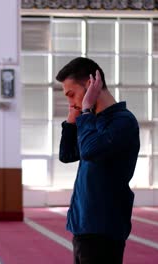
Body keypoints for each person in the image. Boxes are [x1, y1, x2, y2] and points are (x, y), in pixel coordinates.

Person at [56, 57, 140, 264]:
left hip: (104, 226)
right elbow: (67, 154)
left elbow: (89, 150)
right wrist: (72, 118)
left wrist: (85, 110)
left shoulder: (122, 122)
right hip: (84, 224)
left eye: (72, 95)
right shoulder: (93, 121)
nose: (71, 103)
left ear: (92, 85)